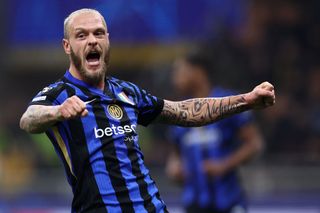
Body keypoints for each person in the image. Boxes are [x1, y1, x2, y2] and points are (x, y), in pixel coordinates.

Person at [19, 8, 275, 213]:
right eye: (82, 35)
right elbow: (28, 119)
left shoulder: (127, 92)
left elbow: (183, 112)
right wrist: (57, 112)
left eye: (98, 33)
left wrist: (247, 99)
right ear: (67, 46)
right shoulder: (58, 94)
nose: (92, 40)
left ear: (108, 40)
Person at [166, 52, 264, 213]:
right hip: (194, 205)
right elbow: (175, 155)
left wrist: (224, 165)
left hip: (228, 201)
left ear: (198, 72)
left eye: (180, 71)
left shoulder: (227, 102)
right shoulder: (178, 109)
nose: (175, 78)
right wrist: (174, 168)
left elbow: (254, 144)